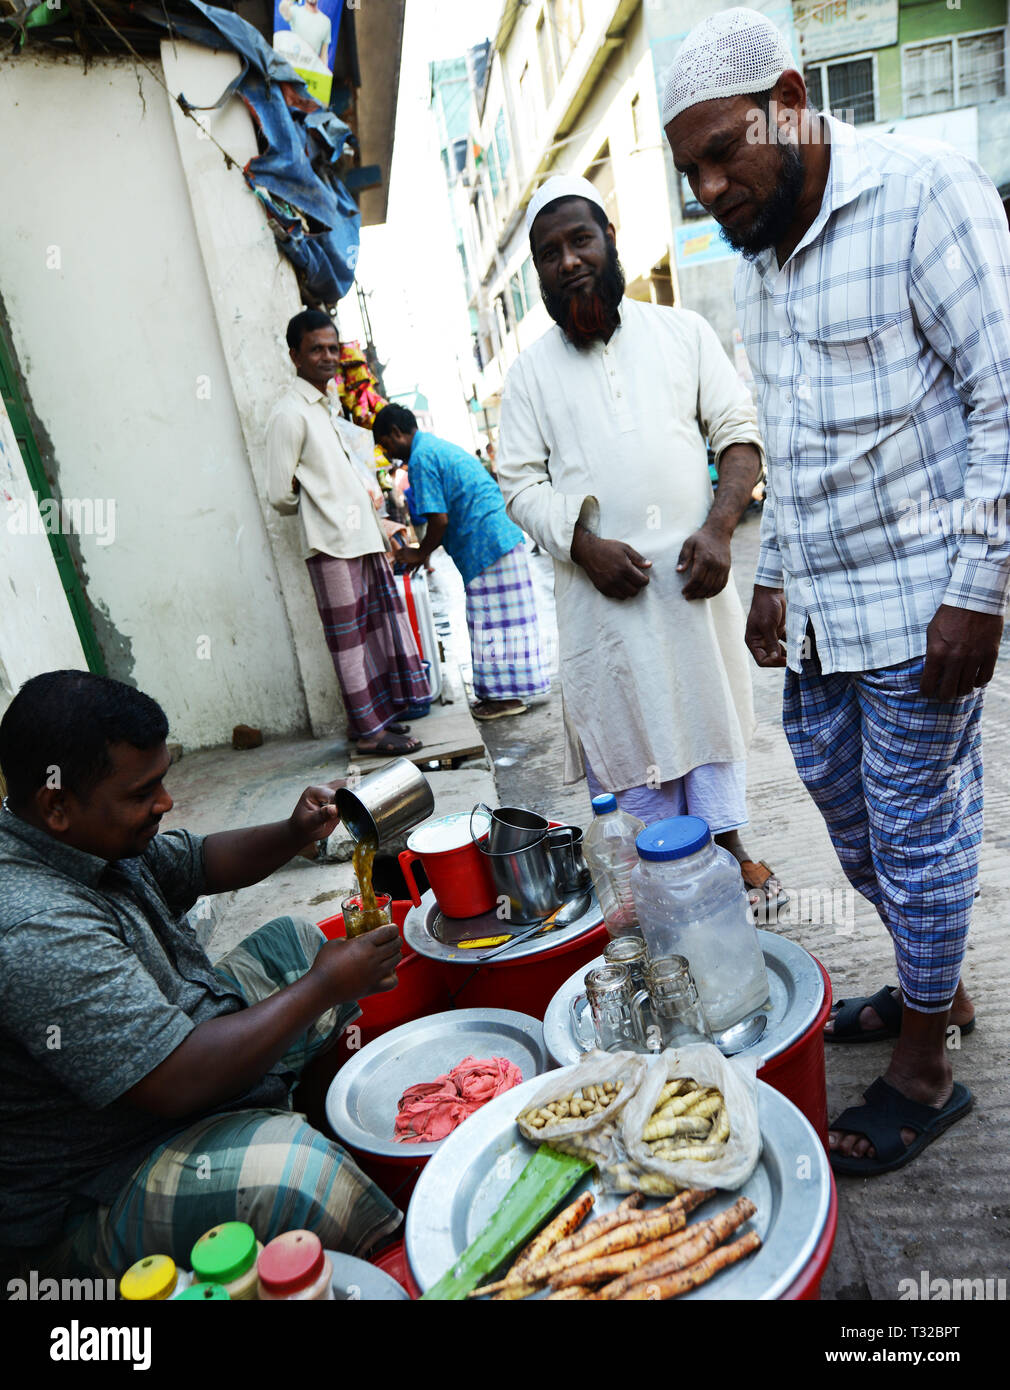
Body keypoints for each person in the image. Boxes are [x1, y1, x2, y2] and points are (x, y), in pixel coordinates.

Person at [664, 7, 1010, 1173]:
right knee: (844, 820)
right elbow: (799, 450)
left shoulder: (925, 192)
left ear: (790, 98)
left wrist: (979, 586)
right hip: (822, 613)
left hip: (923, 605)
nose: (710, 187)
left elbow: (1000, 401)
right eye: (691, 170)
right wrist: (777, 584)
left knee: (914, 838)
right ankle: (934, 983)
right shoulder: (756, 259)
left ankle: (922, 1068)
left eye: (725, 152)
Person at [0, 670, 404, 1281]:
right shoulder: (35, 926)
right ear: (56, 804)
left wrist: (294, 833)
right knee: (306, 1179)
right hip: (101, 1179)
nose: (164, 803)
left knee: (295, 944)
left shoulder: (91, 835)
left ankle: (308, 1121)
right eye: (144, 793)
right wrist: (323, 985)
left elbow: (198, 862)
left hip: (178, 1062)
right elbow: (174, 1080)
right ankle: (367, 1245)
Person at [496, 174, 784, 909]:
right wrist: (584, 546)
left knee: (706, 710)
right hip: (604, 601)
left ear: (610, 241)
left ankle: (727, 843)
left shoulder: (682, 333)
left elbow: (739, 433)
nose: (567, 261)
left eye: (580, 240)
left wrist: (721, 529)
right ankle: (658, 874)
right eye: (549, 252)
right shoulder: (528, 377)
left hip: (695, 583)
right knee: (631, 732)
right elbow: (519, 487)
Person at [267, 310, 429, 756]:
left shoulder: (328, 405)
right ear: (294, 354)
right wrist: (320, 501)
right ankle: (367, 734)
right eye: (316, 349)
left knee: (375, 633)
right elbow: (279, 494)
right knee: (348, 645)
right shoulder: (289, 413)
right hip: (330, 544)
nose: (327, 357)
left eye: (333, 348)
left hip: (362, 539)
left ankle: (377, 722)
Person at [373, 404, 550, 720]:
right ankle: (512, 691)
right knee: (509, 620)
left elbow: (438, 520)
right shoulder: (433, 447)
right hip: (498, 536)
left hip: (485, 542)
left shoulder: (422, 459)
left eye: (387, 446)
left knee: (489, 621)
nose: (390, 456)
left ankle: (504, 698)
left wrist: (418, 553)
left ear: (397, 433)